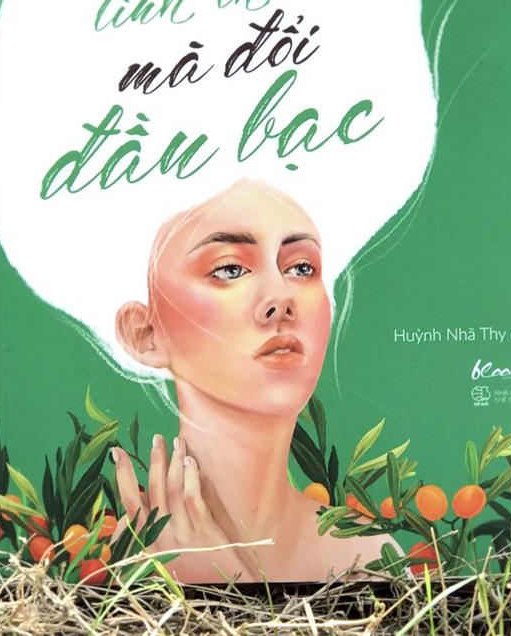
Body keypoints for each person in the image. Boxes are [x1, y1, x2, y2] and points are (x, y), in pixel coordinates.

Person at [111, 178, 396, 583]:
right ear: (145, 336)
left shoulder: (368, 555)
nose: (280, 298)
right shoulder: (105, 560)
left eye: (301, 268)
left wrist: (228, 586)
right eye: (230, 269)